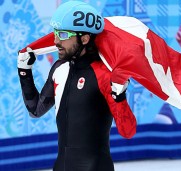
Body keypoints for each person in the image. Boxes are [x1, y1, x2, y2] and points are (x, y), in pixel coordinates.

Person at [17, 1, 136, 171]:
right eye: (56, 33)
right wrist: (24, 71)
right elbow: (35, 110)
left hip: (95, 166)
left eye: (64, 35)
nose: (56, 41)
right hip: (62, 165)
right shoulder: (59, 68)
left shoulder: (104, 74)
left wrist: (120, 97)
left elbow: (128, 131)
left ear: (85, 38)